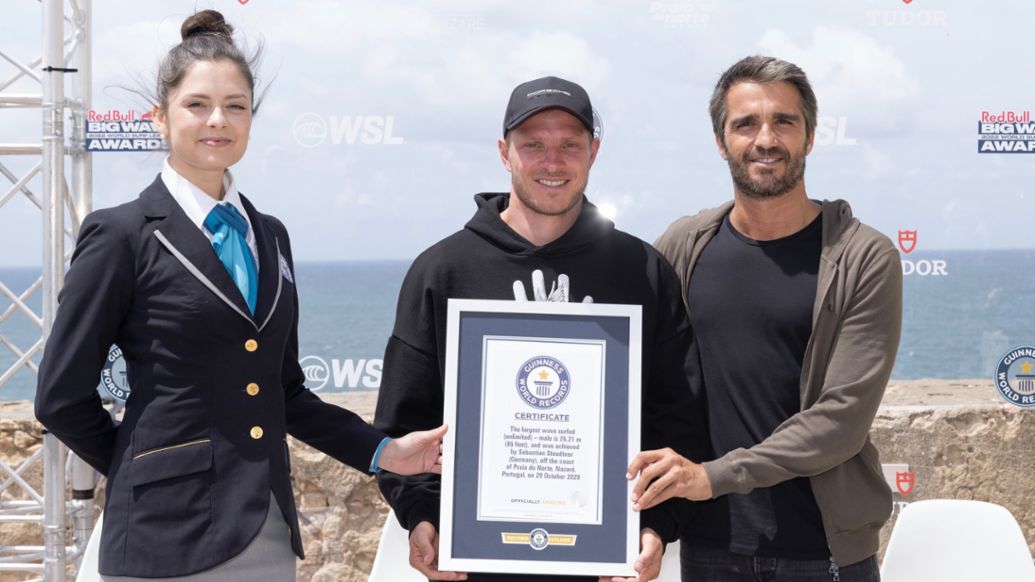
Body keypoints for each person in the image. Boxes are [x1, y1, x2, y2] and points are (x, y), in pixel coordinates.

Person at [34, 10, 444, 580]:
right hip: (163, 536)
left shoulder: (270, 235)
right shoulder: (121, 235)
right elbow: (59, 398)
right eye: (197, 104)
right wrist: (148, 475)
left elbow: (285, 390)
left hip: (267, 531)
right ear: (159, 117)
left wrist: (383, 453)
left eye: (236, 106)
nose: (217, 120)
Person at [374, 76, 707, 582]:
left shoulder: (642, 270)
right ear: (504, 153)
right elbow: (405, 422)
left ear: (594, 152)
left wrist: (655, 528)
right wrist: (424, 518)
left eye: (569, 144)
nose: (553, 162)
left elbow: (678, 422)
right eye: (533, 145)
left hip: (606, 565)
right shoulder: (442, 271)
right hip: (475, 563)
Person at [629, 55, 903, 581]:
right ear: (720, 140)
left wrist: (714, 475)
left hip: (824, 553)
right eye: (745, 123)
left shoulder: (863, 256)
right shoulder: (682, 246)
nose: (766, 138)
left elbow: (841, 419)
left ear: (811, 135)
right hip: (709, 546)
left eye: (784, 121)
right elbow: (635, 374)